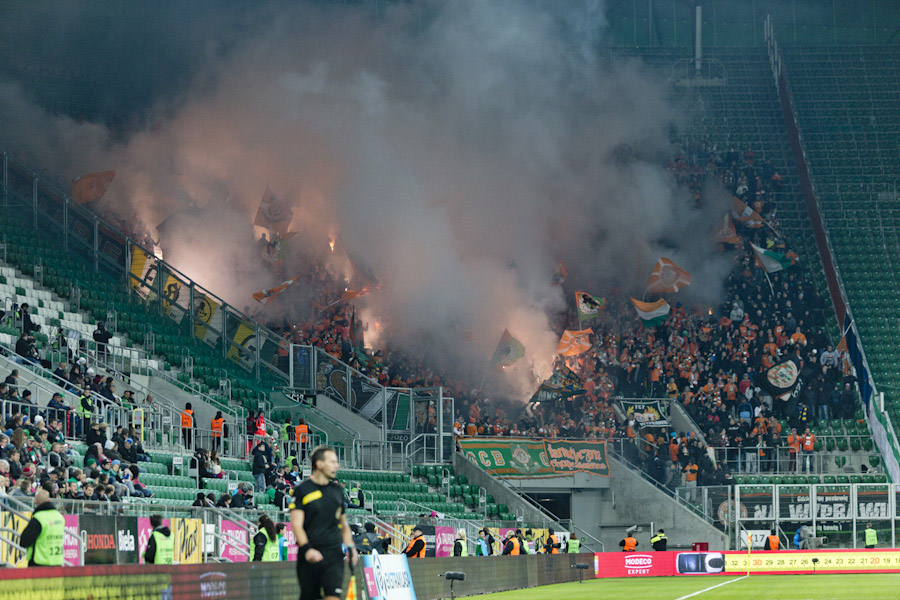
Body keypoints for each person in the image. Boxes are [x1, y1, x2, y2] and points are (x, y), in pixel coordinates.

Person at [289, 445, 357, 600]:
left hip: (334, 555)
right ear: (319, 464)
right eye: (332, 462)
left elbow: (344, 525)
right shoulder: (302, 490)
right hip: (309, 555)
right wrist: (307, 549)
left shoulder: (337, 491)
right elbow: (296, 525)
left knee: (332, 596)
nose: (337, 465)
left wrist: (351, 547)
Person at [19, 488, 65, 566]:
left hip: (39, 562)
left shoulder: (38, 518)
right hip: (57, 561)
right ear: (49, 500)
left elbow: (24, 541)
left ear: (35, 501)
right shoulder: (59, 517)